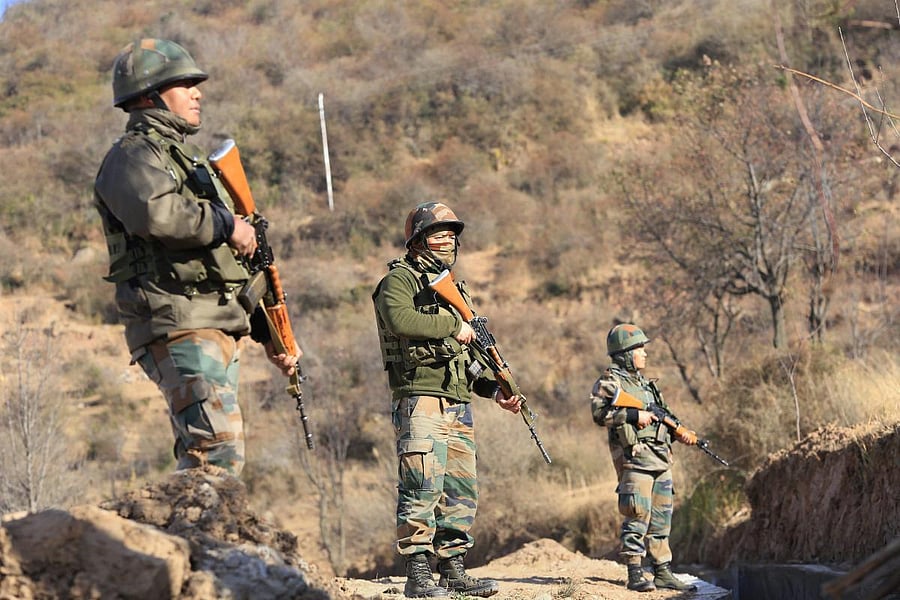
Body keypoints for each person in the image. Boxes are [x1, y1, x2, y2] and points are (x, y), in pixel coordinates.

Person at [94, 39, 298, 477]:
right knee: (216, 455)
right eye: (183, 84)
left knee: (207, 456)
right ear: (148, 95)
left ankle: (185, 524)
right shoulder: (132, 156)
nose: (197, 93)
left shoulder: (185, 159)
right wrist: (227, 224)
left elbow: (230, 264)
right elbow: (156, 214)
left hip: (212, 319)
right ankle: (197, 524)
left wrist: (268, 333)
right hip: (179, 321)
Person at [372, 202, 521, 598]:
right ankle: (418, 573)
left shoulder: (454, 289)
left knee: (460, 490)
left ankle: (453, 568)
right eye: (440, 235)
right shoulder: (399, 281)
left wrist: (496, 390)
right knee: (420, 485)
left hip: (457, 402)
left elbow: (468, 361)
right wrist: (455, 324)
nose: (448, 242)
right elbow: (400, 320)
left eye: (453, 236)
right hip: (420, 398)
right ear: (418, 241)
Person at [589, 323, 697, 592]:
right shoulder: (610, 381)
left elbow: (665, 417)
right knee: (636, 516)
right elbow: (599, 414)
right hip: (635, 459)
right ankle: (635, 573)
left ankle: (662, 571)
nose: (645, 353)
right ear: (625, 353)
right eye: (639, 348)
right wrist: (635, 415)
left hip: (660, 459)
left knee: (662, 519)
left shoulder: (647, 386)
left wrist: (681, 432)